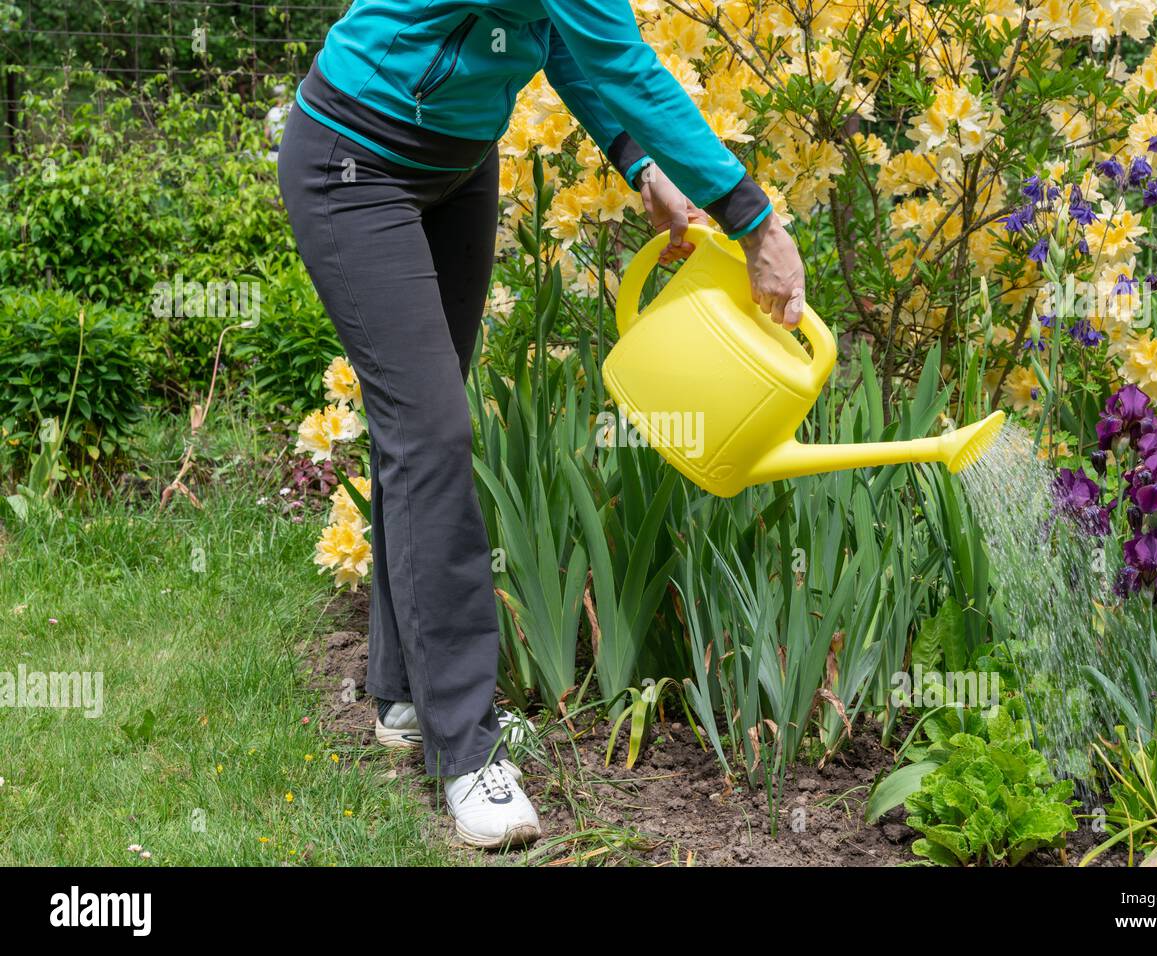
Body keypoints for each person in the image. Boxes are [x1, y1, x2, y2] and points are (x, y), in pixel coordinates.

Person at [277, 0, 806, 849]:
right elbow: (625, 62)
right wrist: (755, 221)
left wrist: (639, 165)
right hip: (354, 162)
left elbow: (568, 44)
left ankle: (408, 698)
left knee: (419, 429)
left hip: (456, 165)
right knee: (433, 432)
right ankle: (465, 751)